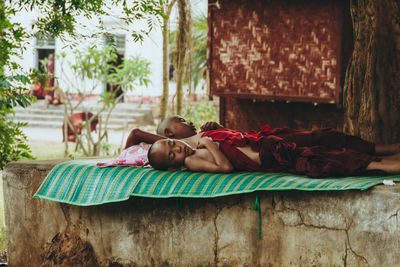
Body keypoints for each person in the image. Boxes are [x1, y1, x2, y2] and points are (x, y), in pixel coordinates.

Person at [147, 125, 400, 178]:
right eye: (173, 155)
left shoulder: (197, 139)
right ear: (173, 165)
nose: (177, 149)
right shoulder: (192, 161)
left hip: (269, 141)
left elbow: (237, 139)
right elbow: (225, 167)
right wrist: (211, 145)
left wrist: (217, 131)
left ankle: (392, 150)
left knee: (327, 137)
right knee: (338, 160)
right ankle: (391, 163)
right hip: (275, 156)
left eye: (172, 145)